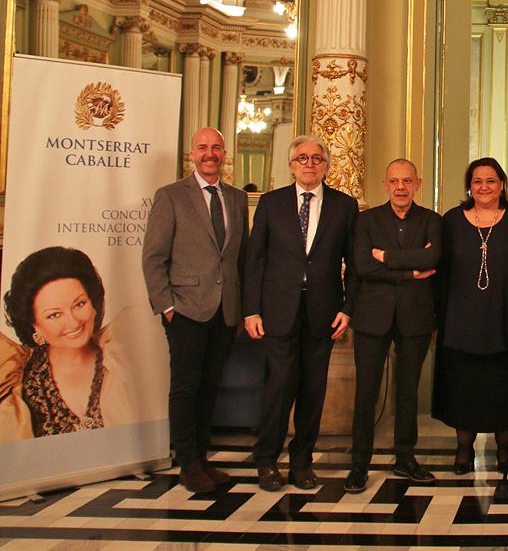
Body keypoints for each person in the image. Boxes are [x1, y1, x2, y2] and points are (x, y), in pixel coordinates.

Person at [244, 134, 360, 492]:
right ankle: (266, 460)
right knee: (278, 388)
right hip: (278, 311)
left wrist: (348, 308)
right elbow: (255, 259)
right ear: (292, 165)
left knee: (313, 390)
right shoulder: (271, 202)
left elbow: (354, 264)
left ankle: (301, 462)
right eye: (303, 158)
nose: (310, 164)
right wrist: (251, 310)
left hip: (323, 312)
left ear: (326, 165)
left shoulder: (344, 205)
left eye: (316, 158)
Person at [142, 127, 250, 492]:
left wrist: (241, 307)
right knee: (185, 387)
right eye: (203, 147)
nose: (210, 153)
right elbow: (153, 257)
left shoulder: (236, 198)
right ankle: (187, 463)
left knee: (209, 386)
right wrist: (166, 305)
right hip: (185, 309)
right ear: (192, 154)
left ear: (224, 154)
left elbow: (241, 257)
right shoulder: (171, 196)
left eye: (216, 147)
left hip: (225, 312)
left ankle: (202, 459)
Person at [432, 158, 508, 475]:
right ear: (469, 185)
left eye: (491, 181)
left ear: (502, 184)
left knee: (502, 387)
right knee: (463, 387)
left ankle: (504, 448)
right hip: (461, 317)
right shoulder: (452, 220)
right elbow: (440, 266)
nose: (484, 187)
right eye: (478, 181)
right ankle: (463, 449)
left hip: (505, 318)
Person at [344, 159, 440, 494]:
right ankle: (359, 465)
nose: (401, 187)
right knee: (366, 393)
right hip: (372, 317)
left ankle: (405, 458)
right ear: (386, 185)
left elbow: (433, 259)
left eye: (407, 181)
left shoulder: (432, 220)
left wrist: (385, 257)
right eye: (394, 181)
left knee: (408, 393)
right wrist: (410, 272)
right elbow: (362, 265)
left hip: (415, 317)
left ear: (418, 183)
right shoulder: (366, 220)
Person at [1, 247, 137, 442]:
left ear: (93, 305)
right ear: (34, 326)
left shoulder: (124, 357)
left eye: (79, 304)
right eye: (54, 315)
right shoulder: (15, 382)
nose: (73, 322)